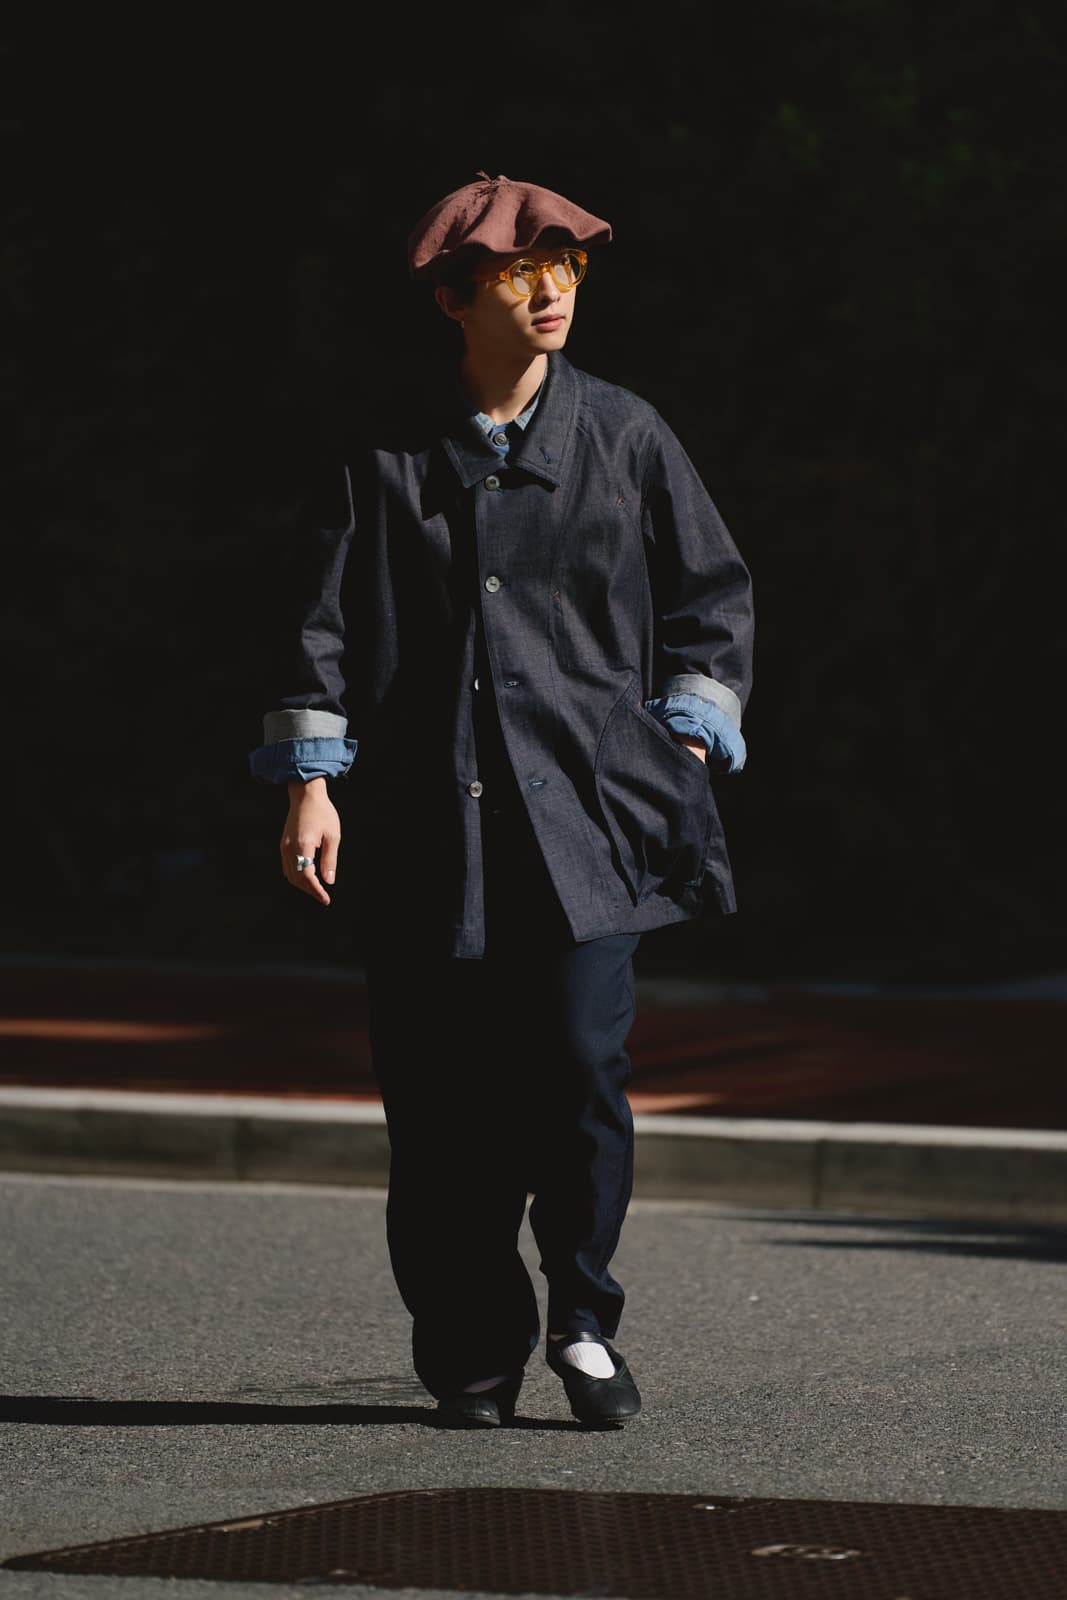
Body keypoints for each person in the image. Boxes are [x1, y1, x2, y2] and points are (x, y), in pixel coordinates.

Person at [250, 172, 754, 1429]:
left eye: (566, 270)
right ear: (450, 298)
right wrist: (312, 780)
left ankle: (581, 1317)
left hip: (593, 827)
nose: (549, 293)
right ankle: (472, 1351)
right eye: (520, 273)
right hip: (432, 824)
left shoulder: (627, 434)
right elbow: (311, 624)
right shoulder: (379, 455)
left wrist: (683, 745)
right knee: (437, 1102)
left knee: (580, 1071)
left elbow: (713, 602)